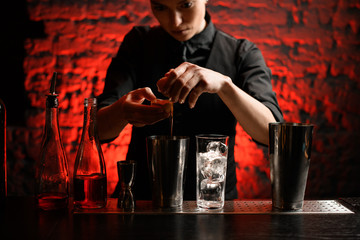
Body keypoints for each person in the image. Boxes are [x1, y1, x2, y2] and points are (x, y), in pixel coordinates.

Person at [96, 0, 283, 200]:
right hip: (142, 203)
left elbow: (272, 134)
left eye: (185, 4)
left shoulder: (241, 53)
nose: (175, 21)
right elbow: (96, 131)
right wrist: (122, 111)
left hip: (216, 207)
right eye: (160, 8)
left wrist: (225, 86)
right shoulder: (138, 43)